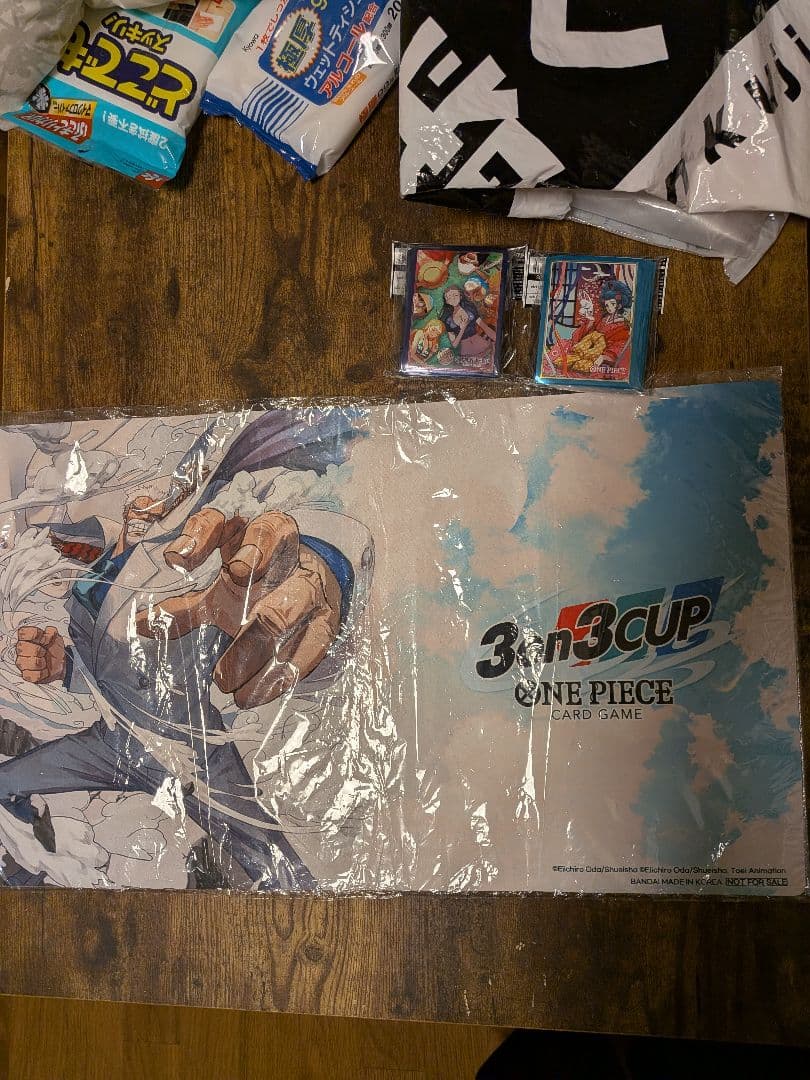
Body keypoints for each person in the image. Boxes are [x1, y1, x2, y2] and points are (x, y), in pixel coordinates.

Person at [0, 409, 373, 891]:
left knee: (274, 866)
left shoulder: (176, 572)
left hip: (188, 755)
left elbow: (250, 592)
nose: (143, 507)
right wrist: (67, 668)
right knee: (6, 785)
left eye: (151, 504)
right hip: (111, 745)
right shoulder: (89, 590)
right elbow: (121, 671)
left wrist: (324, 566)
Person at [440, 286, 496, 358]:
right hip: (467, 353)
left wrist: (496, 339)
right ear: (447, 301)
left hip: (482, 346)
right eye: (449, 297)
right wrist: (462, 329)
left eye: (455, 295)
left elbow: (484, 327)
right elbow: (454, 344)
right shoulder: (448, 320)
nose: (453, 298)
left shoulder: (469, 309)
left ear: (460, 296)